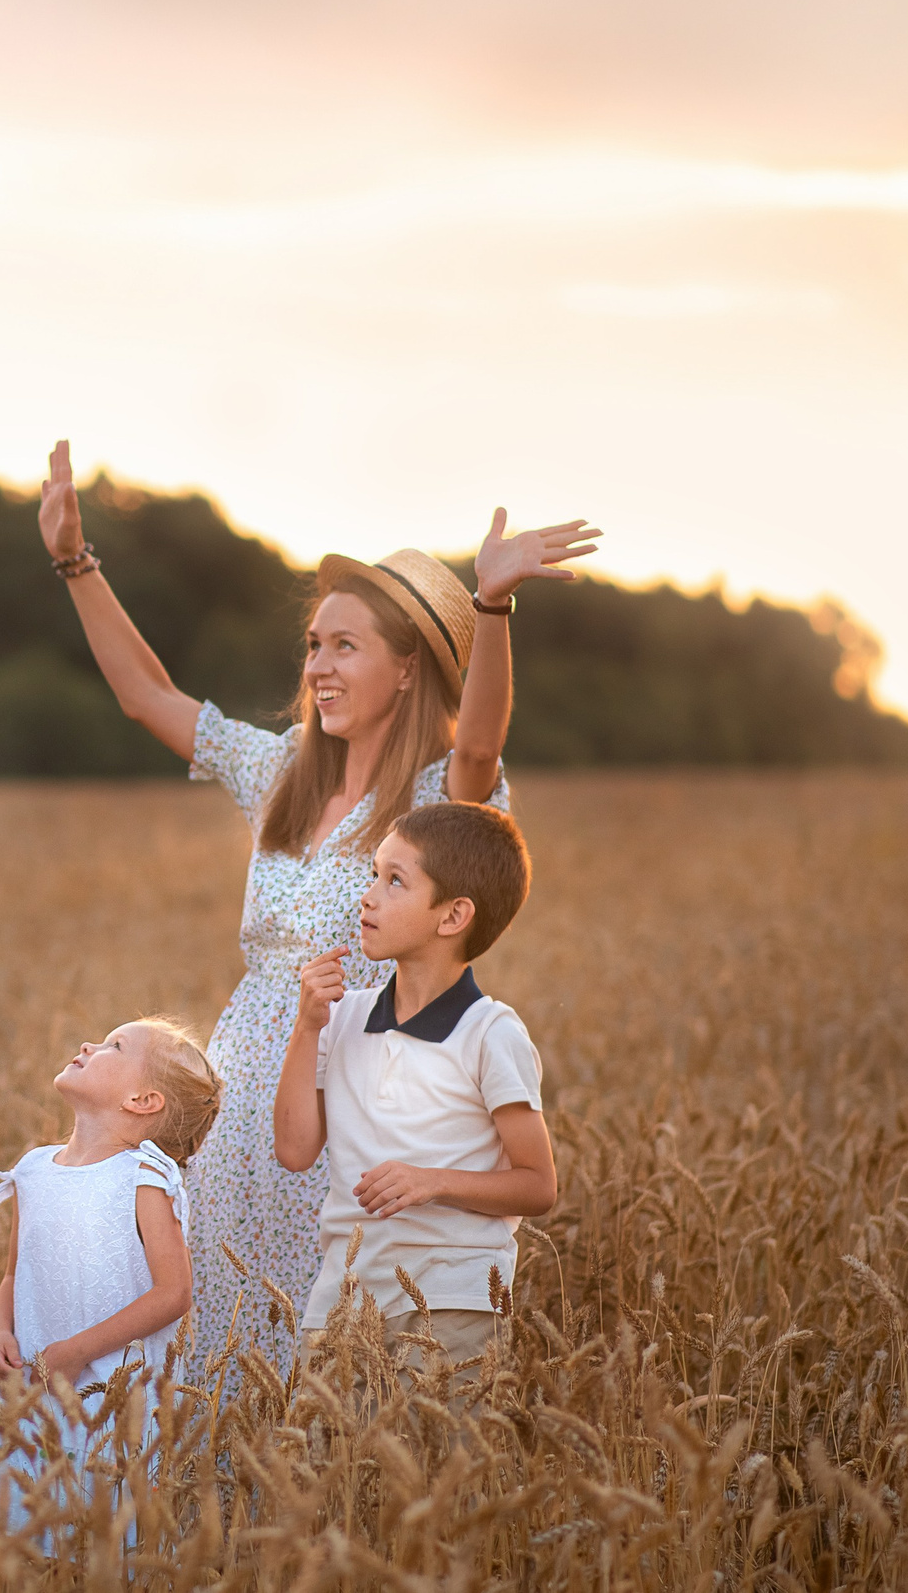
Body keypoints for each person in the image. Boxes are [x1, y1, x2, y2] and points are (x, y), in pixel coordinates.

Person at [34, 438, 596, 1379]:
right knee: (204, 1315)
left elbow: (484, 745)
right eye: (313, 644)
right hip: (233, 1081)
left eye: (346, 645)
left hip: (346, 1086)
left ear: (410, 667)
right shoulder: (282, 769)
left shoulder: (433, 797)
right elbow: (147, 696)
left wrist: (492, 605)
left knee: (311, 1335)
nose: (320, 665)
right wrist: (74, 560)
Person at [273, 801, 556, 1379]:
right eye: (374, 874)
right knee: (325, 1466)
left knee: (432, 1468)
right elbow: (295, 1149)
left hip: (452, 1306)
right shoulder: (343, 1017)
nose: (369, 895)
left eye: (395, 881)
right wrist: (306, 1028)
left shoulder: (490, 1033)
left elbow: (538, 1185)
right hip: (341, 1300)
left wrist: (432, 1183)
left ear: (452, 917)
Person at [0, 1018, 222, 1544]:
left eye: (115, 1046)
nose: (89, 1044)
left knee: (103, 1546)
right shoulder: (34, 1170)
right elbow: (15, 1274)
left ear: (142, 1100)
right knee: (15, 1544)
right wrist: (0, 1333)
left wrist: (76, 1351)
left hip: (110, 1397)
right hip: (33, 1390)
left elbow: (173, 1292)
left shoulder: (144, 1176)